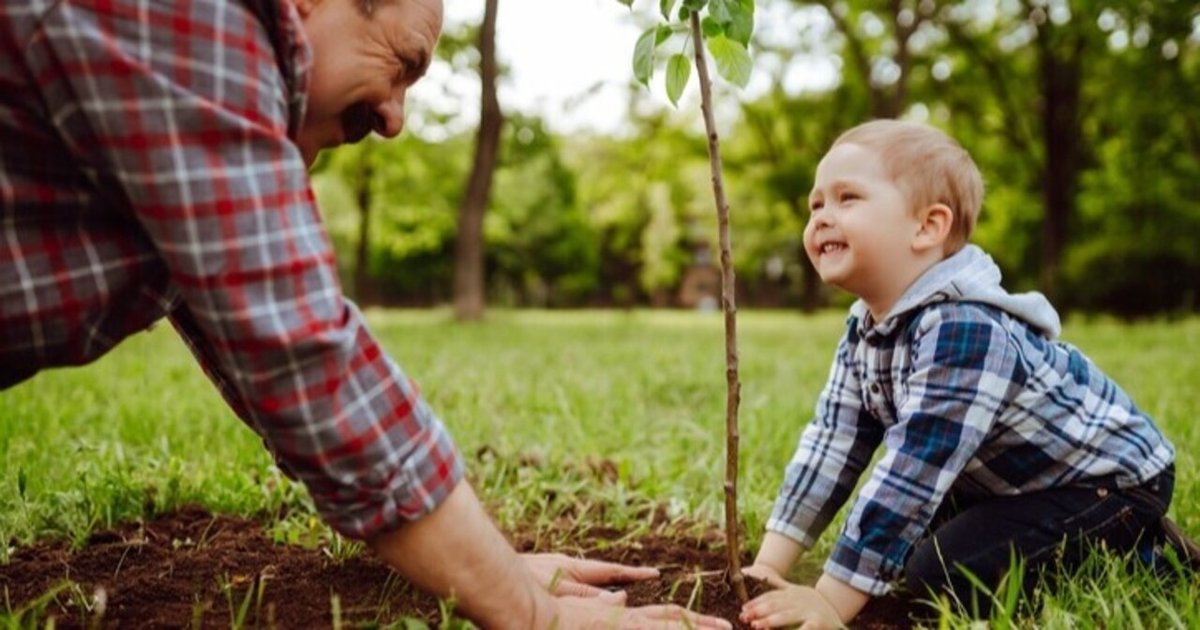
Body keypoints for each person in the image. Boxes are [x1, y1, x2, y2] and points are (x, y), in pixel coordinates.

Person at [0, 1, 731, 627]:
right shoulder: (188, 19)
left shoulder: (191, 102)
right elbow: (306, 358)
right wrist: (528, 611)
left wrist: (492, 569)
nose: (394, 119)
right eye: (403, 65)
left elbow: (275, 361)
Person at [738, 119, 1182, 629]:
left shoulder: (964, 331)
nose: (821, 217)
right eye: (816, 204)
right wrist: (768, 567)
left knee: (943, 572)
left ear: (927, 227)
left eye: (847, 198)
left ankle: (1147, 554)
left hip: (1106, 483)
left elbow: (913, 473)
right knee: (903, 547)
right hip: (1010, 476)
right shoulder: (866, 327)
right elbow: (832, 444)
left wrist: (830, 601)